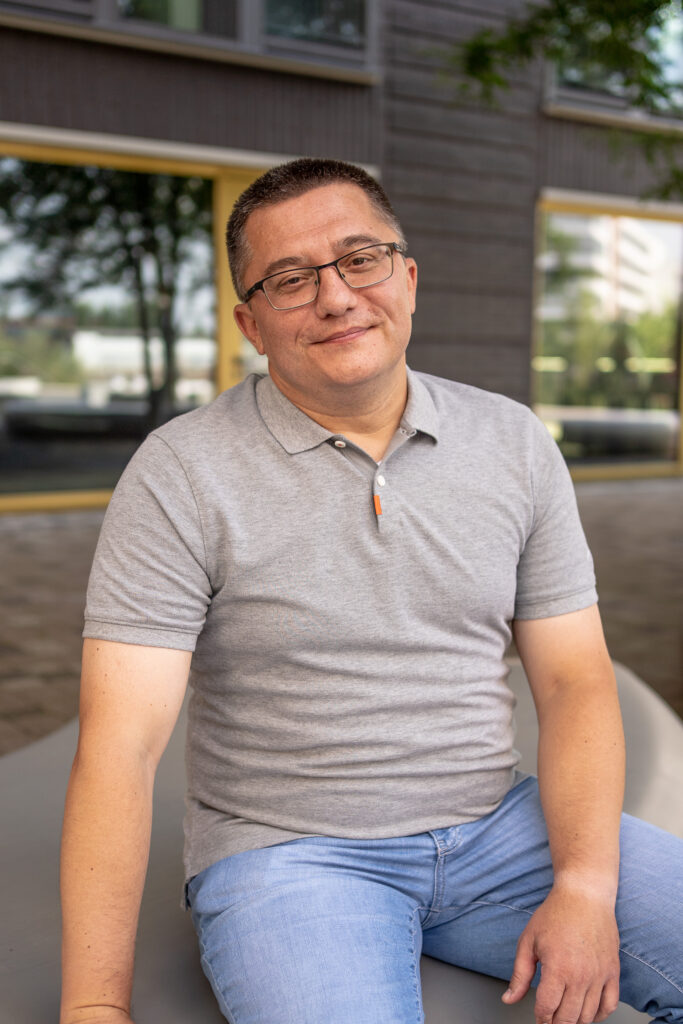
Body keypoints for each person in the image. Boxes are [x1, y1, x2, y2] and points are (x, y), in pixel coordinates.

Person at [60, 158, 683, 1024]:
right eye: (290, 279)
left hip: (503, 828)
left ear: (408, 279)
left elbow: (574, 678)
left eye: (361, 259)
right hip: (290, 857)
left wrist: (582, 883)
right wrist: (94, 1008)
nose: (336, 296)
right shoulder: (180, 472)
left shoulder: (512, 441)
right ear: (250, 323)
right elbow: (120, 746)